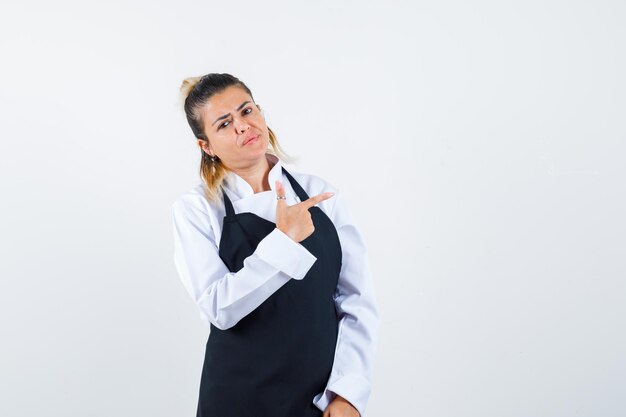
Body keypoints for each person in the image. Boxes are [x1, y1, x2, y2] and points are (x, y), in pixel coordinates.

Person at [171, 73, 379, 417]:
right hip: (236, 402)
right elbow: (219, 308)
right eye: (224, 124)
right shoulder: (197, 209)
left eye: (247, 111)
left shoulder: (319, 194)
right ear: (205, 145)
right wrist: (284, 242)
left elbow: (357, 300)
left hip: (320, 403)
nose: (242, 126)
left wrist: (348, 393)